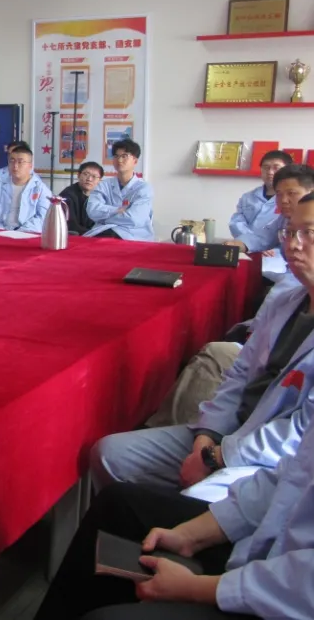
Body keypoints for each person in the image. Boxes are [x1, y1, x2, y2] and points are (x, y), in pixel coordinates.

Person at [91, 191, 314, 503]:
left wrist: (217, 457)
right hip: (229, 432)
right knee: (110, 454)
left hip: (272, 462)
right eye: (289, 232)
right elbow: (240, 374)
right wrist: (208, 436)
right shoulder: (285, 302)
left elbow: (299, 435)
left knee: (196, 502)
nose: (294, 244)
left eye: (308, 233)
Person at [35, 428, 314, 620]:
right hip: (269, 555)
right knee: (119, 505)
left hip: (286, 598)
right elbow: (289, 477)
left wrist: (195, 588)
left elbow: (302, 589)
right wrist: (191, 536)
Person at [230, 151, 294, 281]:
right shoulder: (248, 196)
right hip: (249, 248)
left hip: (276, 254)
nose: (270, 172)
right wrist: (246, 244)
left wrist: (265, 247)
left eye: (276, 168)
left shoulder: (295, 205)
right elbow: (238, 222)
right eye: (266, 167)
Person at [228, 164, 314, 258]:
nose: (284, 200)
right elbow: (263, 238)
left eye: (291, 193)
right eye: (279, 194)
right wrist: (239, 244)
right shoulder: (283, 219)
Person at [0, 143, 52, 232]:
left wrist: (20, 232)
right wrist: (0, 230)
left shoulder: (40, 189)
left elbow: (43, 217)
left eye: (20, 162)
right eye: (12, 161)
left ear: (30, 165)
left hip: (28, 233)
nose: (15, 166)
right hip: (0, 232)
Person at [59, 161, 104, 236]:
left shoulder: (100, 196)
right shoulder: (67, 195)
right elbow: (71, 226)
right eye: (86, 174)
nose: (89, 179)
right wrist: (95, 234)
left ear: (99, 180)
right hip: (74, 237)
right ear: (78, 175)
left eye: (94, 176)